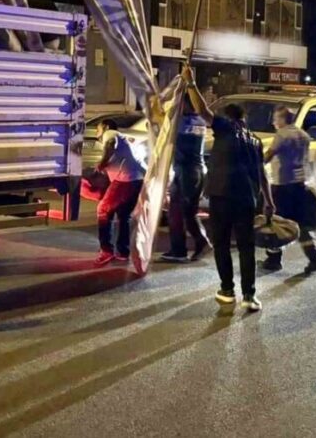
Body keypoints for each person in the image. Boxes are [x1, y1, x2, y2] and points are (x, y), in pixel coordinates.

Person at [186, 65, 274, 312]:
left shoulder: (224, 127)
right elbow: (263, 174)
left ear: (229, 118)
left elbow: (202, 110)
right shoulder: (255, 140)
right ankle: (249, 295)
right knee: (246, 247)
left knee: (222, 244)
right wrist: (268, 201)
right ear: (244, 119)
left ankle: (227, 289)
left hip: (222, 196)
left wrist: (191, 83)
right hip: (246, 198)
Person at [261, 105, 316, 275]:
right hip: (300, 184)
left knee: (275, 223)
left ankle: (273, 260)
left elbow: (268, 156)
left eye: (276, 118)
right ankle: (314, 257)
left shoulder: (282, 135)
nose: (274, 122)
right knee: (302, 225)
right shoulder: (303, 135)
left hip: (282, 185)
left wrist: (255, 164)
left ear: (282, 119)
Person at [159, 92, 212, 263]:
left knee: (180, 212)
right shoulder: (199, 121)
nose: (178, 107)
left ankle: (193, 245)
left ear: (187, 105)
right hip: (195, 171)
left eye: (180, 104)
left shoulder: (182, 122)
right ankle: (183, 248)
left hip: (187, 172)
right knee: (184, 212)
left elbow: (162, 126)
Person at [93, 118, 146, 267]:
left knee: (103, 210)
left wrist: (102, 163)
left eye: (98, 128)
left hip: (125, 181)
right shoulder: (124, 139)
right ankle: (123, 252)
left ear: (105, 126)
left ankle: (106, 251)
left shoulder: (110, 133)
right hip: (136, 180)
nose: (97, 132)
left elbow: (110, 144)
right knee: (123, 216)